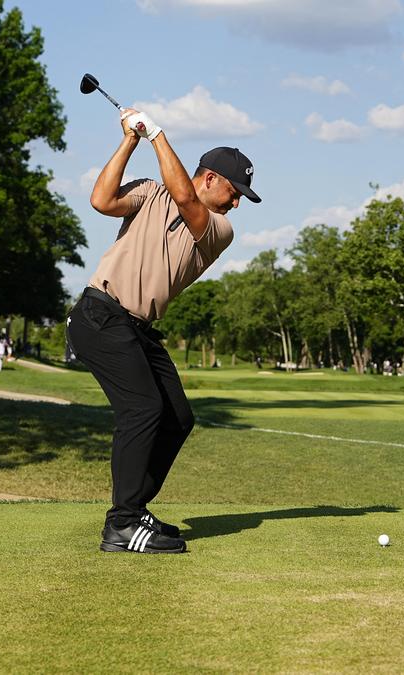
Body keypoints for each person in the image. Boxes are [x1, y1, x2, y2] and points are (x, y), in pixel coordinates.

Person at [65, 106, 259, 554]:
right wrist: (131, 141)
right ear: (210, 177)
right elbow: (102, 201)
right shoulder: (151, 192)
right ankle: (123, 523)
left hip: (137, 327)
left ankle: (133, 509)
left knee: (177, 417)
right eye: (235, 192)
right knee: (143, 409)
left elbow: (187, 202)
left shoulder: (219, 230)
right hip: (100, 315)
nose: (236, 204)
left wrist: (156, 134)